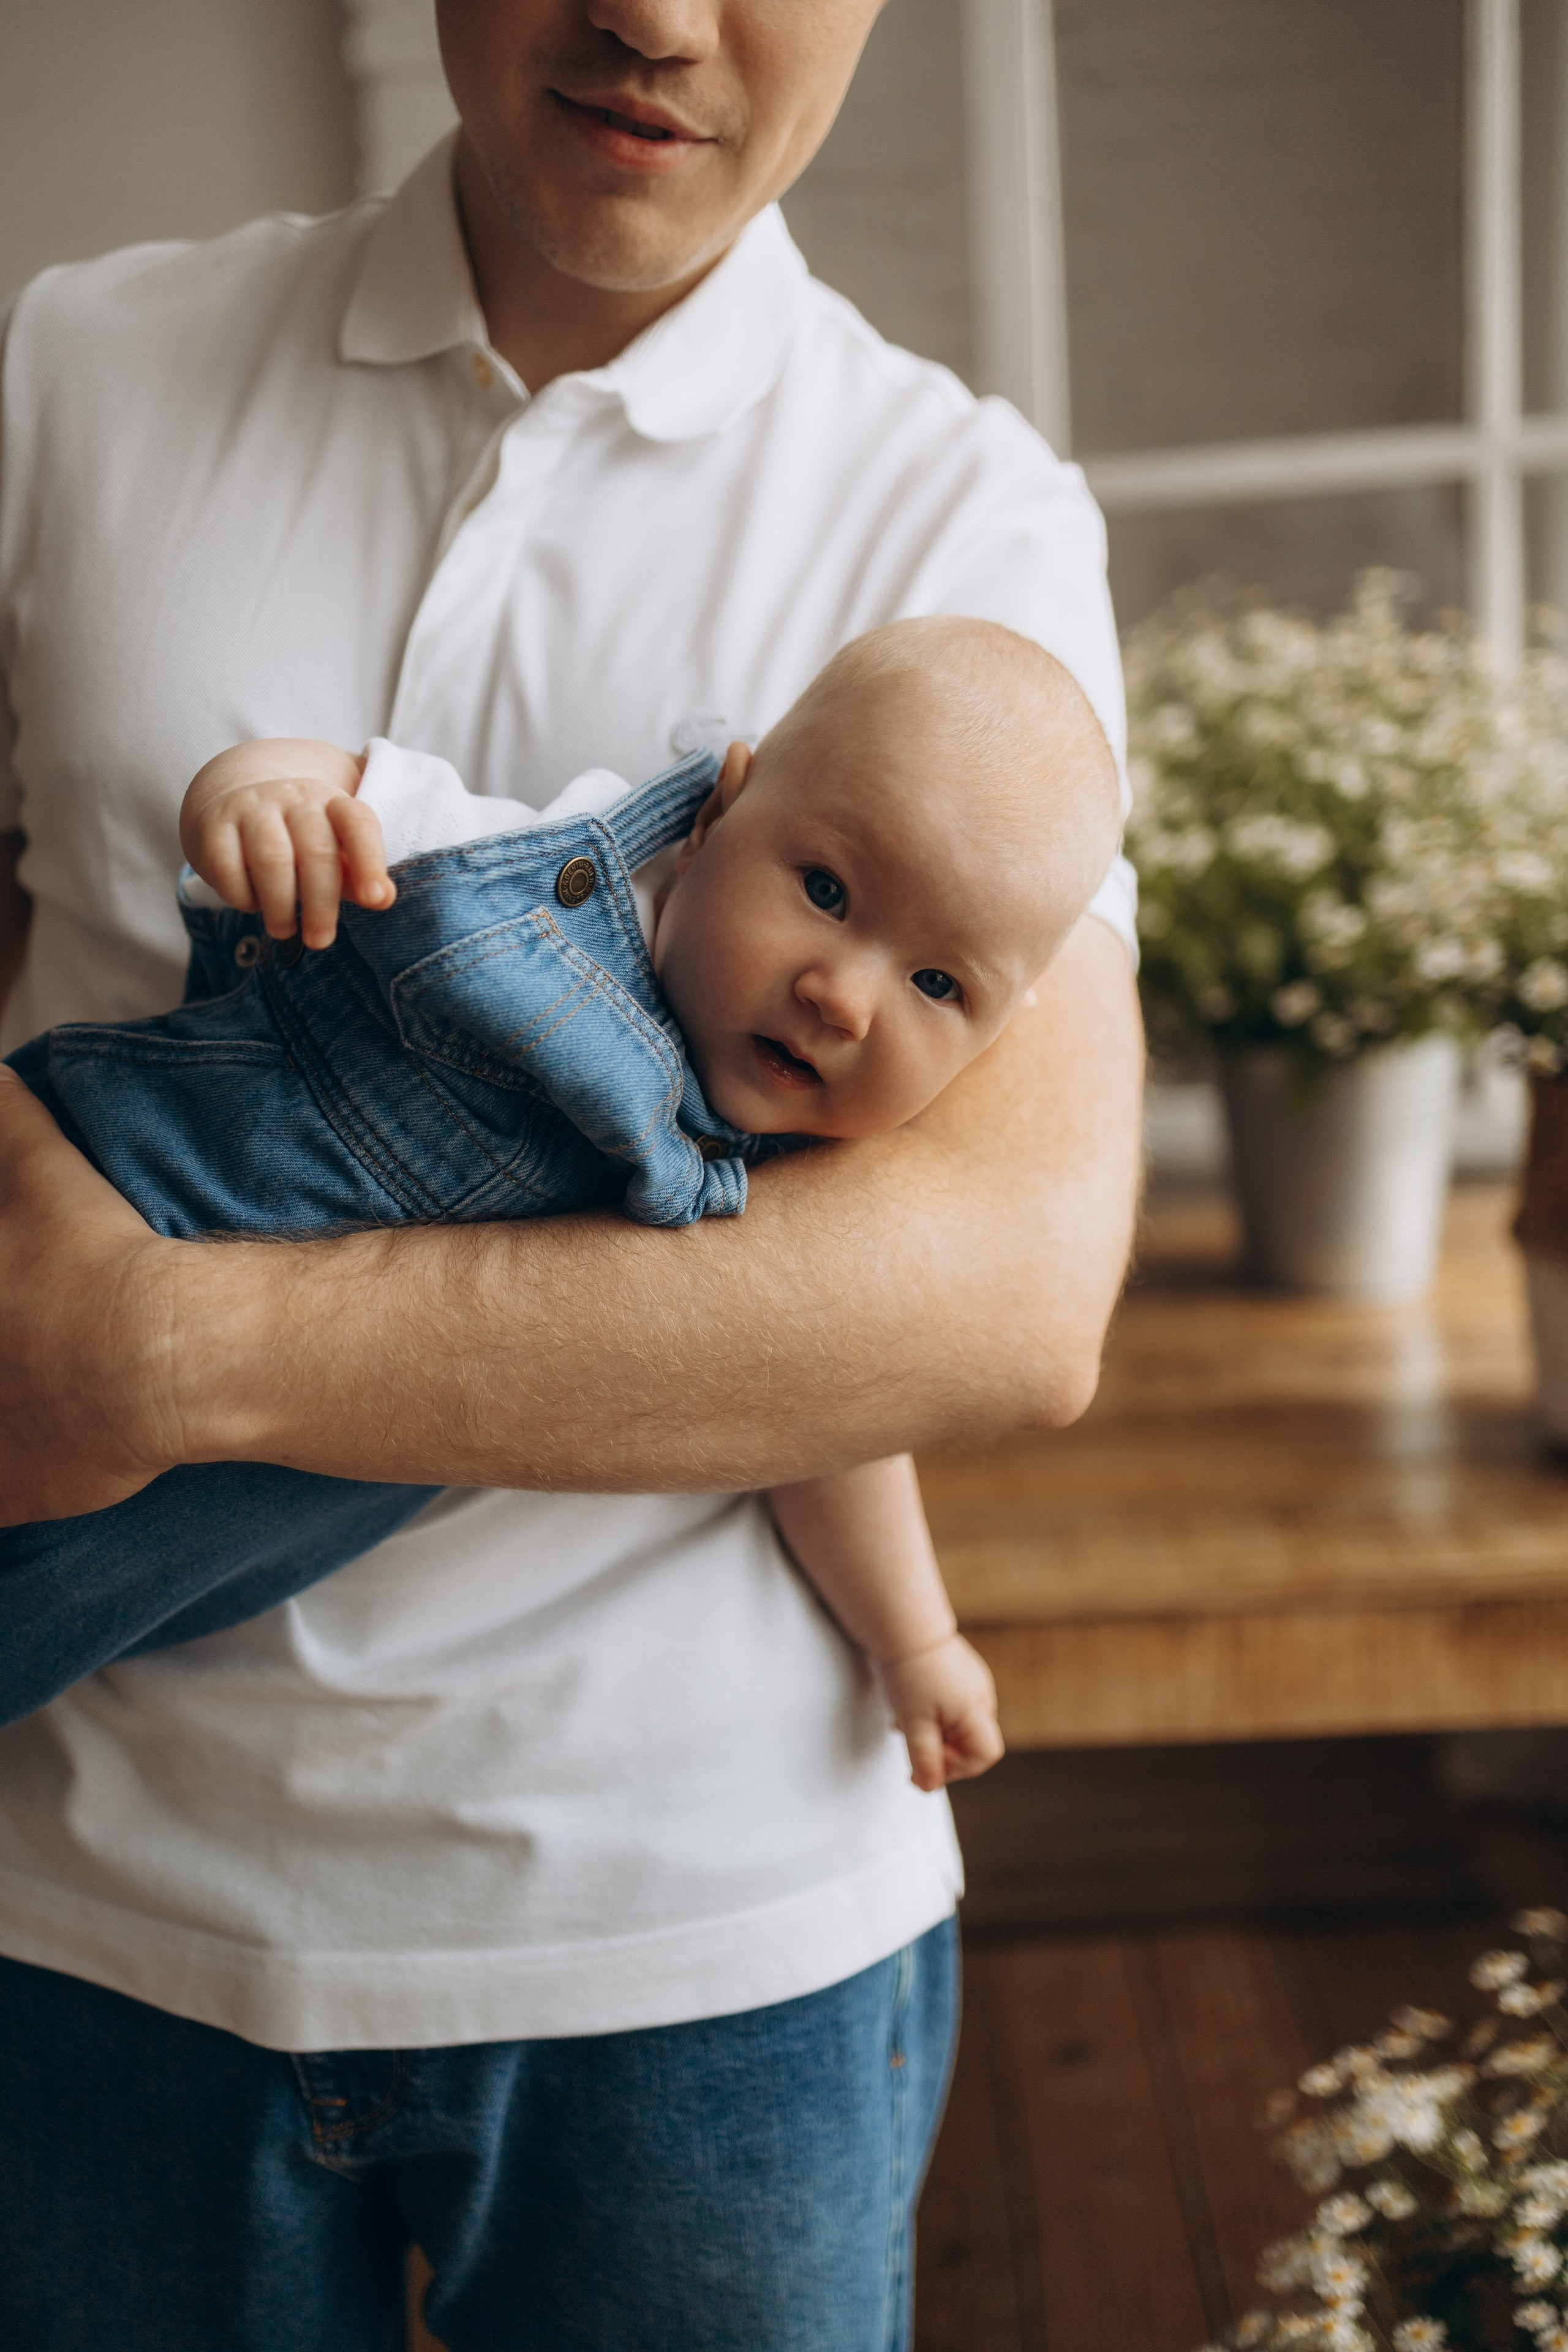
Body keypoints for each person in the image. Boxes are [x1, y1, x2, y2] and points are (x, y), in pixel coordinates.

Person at [0, 3, 1144, 2345]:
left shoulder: (964, 516)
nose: (653, 8)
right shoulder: (78, 365)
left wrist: (138, 1349)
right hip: (85, 1895)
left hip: (703, 1943)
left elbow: (1000, 1297)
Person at [4, 617, 1119, 1784]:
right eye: (827, 889)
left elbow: (831, 1428)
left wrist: (916, 1639)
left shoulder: (784, 1180)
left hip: (164, 1530)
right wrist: (255, 805)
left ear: (1001, 1035)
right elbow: (329, 788)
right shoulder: (534, 877)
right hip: (94, 1181)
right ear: (718, 811)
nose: (842, 999)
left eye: (937, 985)